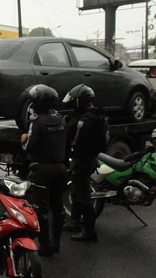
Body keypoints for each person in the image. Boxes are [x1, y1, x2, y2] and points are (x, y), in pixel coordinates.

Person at [21, 84, 68, 256]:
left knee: (41, 209)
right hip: (60, 168)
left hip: (41, 170)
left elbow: (30, 147)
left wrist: (24, 139)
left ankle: (45, 246)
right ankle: (56, 244)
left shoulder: (37, 123)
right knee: (58, 207)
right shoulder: (61, 120)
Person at [62, 84, 107, 242]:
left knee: (83, 196)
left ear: (80, 101)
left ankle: (89, 231)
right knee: (76, 191)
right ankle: (74, 222)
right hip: (90, 159)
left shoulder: (85, 121)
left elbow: (77, 143)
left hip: (82, 161)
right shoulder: (97, 115)